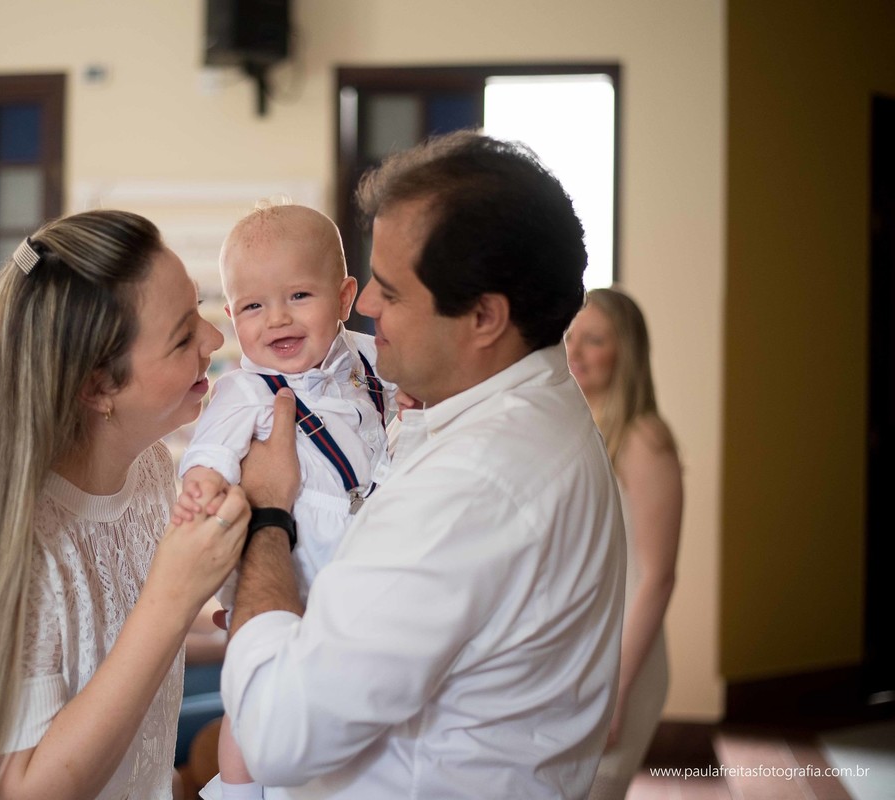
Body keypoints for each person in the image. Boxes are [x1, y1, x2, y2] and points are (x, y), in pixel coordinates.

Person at [217, 130, 627, 799]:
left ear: (484, 317)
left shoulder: (471, 483)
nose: (368, 308)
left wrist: (267, 520)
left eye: (393, 291)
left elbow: (276, 732)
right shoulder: (526, 401)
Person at [0, 210, 249, 800]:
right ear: (97, 387)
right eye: (184, 335)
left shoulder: (153, 471)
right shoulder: (11, 541)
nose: (214, 339)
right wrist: (175, 596)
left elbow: (108, 660)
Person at [173, 204, 395, 800]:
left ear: (345, 297)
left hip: (357, 563)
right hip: (285, 570)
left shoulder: (372, 362)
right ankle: (239, 788)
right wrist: (202, 485)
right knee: (257, 691)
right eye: (252, 306)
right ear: (230, 314)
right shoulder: (244, 390)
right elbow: (211, 452)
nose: (276, 319)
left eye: (299, 295)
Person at [566, 286, 683, 800]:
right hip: (578, 654)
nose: (574, 352)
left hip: (623, 662)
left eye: (593, 341)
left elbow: (658, 577)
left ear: (625, 353)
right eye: (570, 337)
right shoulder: (574, 429)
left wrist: (617, 691)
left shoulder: (644, 440)